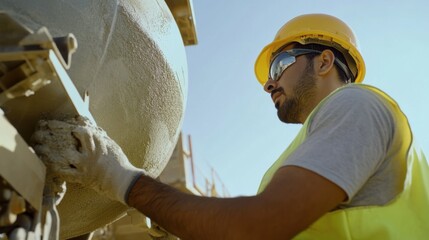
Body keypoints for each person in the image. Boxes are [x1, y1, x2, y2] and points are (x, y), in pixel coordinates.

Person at [33, 14, 429, 239]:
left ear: (324, 62)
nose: (269, 83)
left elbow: (256, 226)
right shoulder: (313, 143)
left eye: (278, 66)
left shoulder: (358, 104)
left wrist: (118, 177)